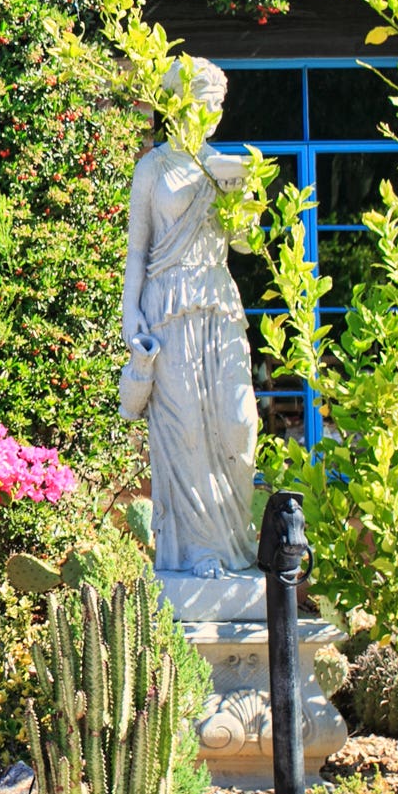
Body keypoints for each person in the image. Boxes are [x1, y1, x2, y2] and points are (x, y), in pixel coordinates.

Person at [120, 59, 260, 580]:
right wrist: (130, 312)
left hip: (218, 303)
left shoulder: (224, 167)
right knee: (186, 437)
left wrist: (243, 198)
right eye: (203, 103)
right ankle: (200, 553)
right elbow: (138, 250)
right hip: (168, 307)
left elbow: (245, 244)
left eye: (217, 107)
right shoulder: (152, 169)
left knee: (238, 423)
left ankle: (238, 547)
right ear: (177, 104)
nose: (212, 116)